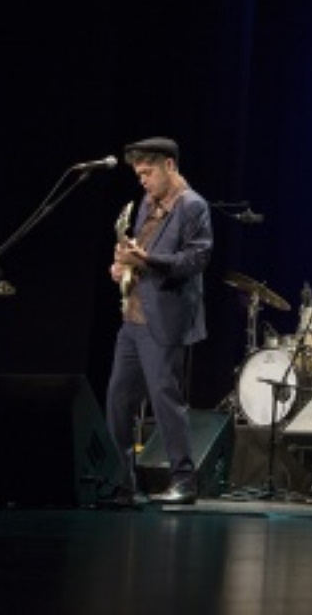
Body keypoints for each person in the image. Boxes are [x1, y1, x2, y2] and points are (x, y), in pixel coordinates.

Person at [107, 137, 212, 506]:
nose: (143, 181)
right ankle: (121, 481)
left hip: (166, 319)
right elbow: (139, 251)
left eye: (148, 172)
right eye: (139, 174)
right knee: (118, 401)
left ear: (169, 166)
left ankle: (184, 481)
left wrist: (146, 261)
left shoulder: (193, 206)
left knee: (165, 400)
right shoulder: (145, 205)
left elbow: (195, 260)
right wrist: (122, 267)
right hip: (133, 317)